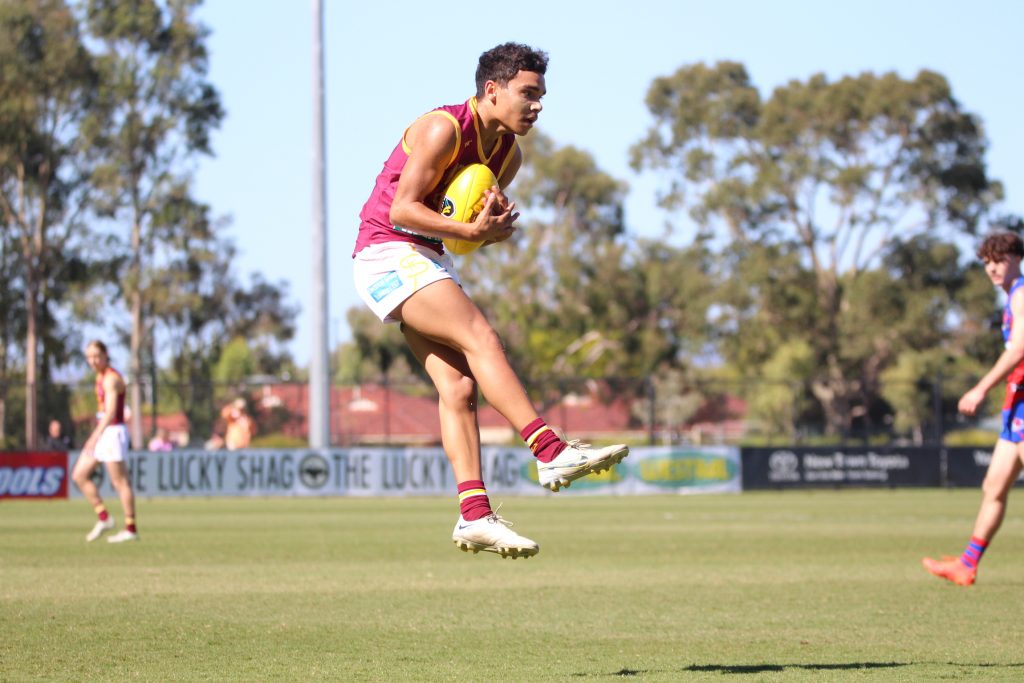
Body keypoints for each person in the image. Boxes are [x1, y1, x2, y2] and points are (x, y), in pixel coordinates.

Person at [352, 42, 629, 559]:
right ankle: (550, 450)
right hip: (386, 251)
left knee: (458, 388)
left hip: (428, 256)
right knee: (482, 337)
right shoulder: (442, 128)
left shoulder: (509, 156)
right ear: (492, 89)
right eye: (528, 93)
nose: (538, 105)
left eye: (542, 96)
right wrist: (469, 230)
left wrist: (485, 231)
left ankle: (474, 516)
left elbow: (461, 232)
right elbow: (403, 211)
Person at [924, 232, 1024, 585]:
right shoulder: (1011, 297)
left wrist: (981, 388)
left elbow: (1019, 350)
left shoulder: (1022, 294)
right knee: (993, 487)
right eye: (986, 262)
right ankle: (967, 564)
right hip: (1016, 405)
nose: (992, 267)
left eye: (999, 259)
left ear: (1016, 258)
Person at [71, 340, 138, 543]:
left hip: (112, 432)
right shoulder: (100, 377)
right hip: (104, 431)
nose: (93, 361)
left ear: (106, 355)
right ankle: (105, 517)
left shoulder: (111, 379)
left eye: (96, 356)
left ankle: (130, 528)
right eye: (89, 357)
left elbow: (110, 413)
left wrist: (94, 436)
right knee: (79, 475)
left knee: (120, 482)